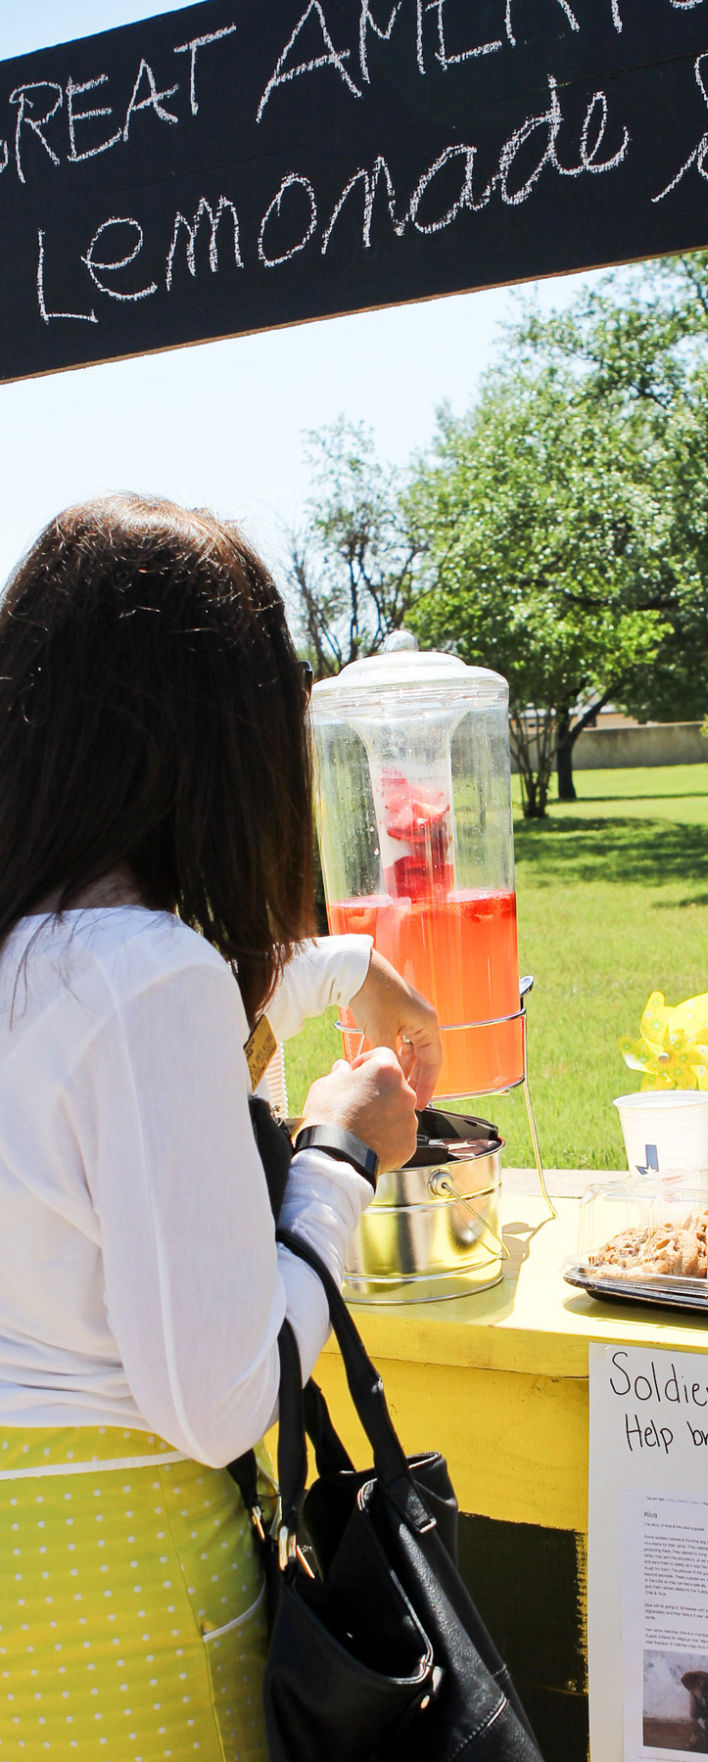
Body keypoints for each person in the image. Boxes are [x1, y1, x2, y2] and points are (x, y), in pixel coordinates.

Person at [0, 494, 435, 1759]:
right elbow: (222, 1396)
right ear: (223, 734)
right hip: (116, 1581)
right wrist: (339, 1156)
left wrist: (341, 964)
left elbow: (130, 1031)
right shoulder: (147, 974)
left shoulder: (46, 949)